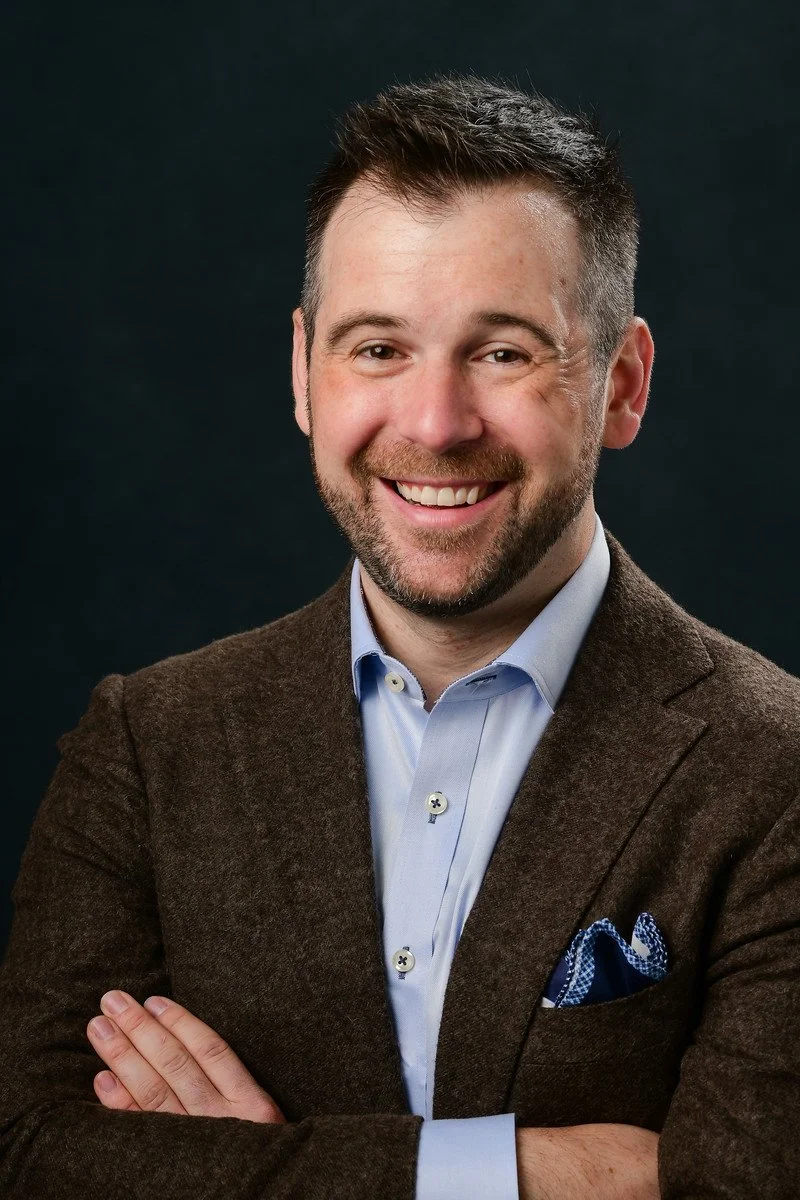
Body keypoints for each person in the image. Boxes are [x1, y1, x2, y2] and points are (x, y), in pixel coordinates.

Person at [0, 73, 798, 1200]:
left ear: (621, 386)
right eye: (377, 349)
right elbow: (30, 1156)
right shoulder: (145, 745)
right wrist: (526, 1173)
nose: (434, 423)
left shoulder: (777, 769)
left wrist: (233, 1172)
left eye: (503, 352)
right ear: (303, 374)